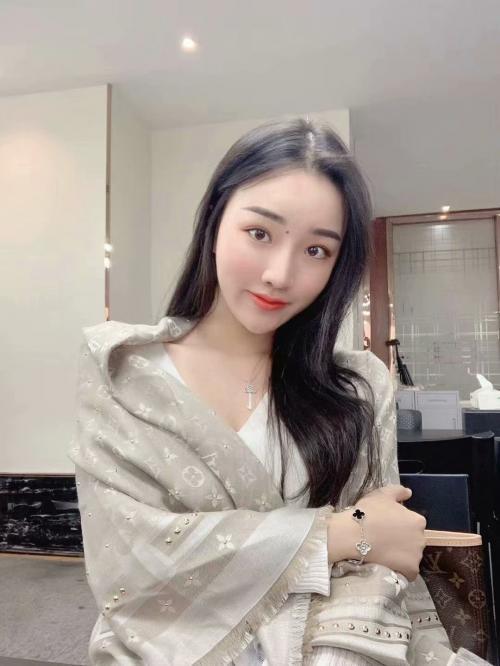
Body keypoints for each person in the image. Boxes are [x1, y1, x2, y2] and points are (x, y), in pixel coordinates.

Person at [69, 118, 477, 665]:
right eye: (260, 233)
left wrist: (358, 540)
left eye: (317, 250)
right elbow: (129, 567)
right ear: (216, 219)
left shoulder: (357, 386)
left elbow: (385, 555)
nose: (280, 275)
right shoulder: (123, 371)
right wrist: (338, 535)